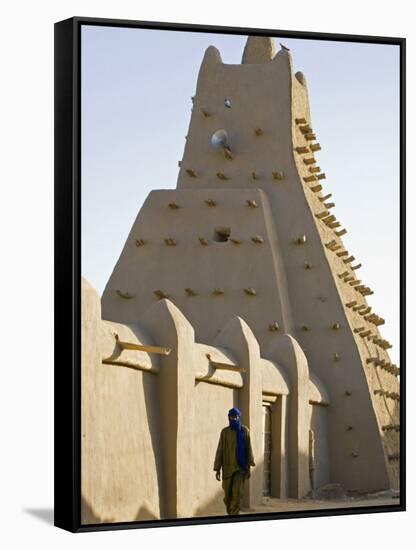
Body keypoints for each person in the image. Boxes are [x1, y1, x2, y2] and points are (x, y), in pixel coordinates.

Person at [213, 407, 255, 515]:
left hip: (240, 469)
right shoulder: (225, 432)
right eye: (232, 417)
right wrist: (217, 468)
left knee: (237, 497)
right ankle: (230, 514)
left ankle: (234, 518)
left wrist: (248, 467)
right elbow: (220, 450)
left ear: (239, 417)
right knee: (227, 498)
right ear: (229, 417)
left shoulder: (245, 431)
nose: (234, 419)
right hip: (227, 469)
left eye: (236, 417)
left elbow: (248, 449)